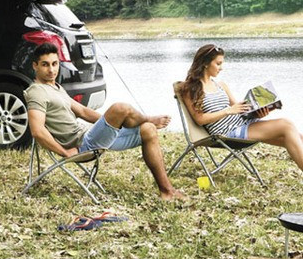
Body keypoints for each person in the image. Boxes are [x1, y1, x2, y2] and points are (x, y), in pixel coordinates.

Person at [24, 42, 186, 201]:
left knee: (148, 129)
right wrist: (64, 153)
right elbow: (37, 131)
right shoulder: (37, 92)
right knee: (120, 108)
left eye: (55, 64)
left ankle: (167, 191)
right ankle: (147, 118)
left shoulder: (56, 87)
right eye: (45, 65)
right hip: (82, 144)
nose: (51, 70)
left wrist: (110, 122)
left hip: (92, 136)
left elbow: (83, 111)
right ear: (35, 66)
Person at [180, 43, 303, 172]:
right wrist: (228, 111)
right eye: (218, 64)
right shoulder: (190, 89)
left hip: (243, 123)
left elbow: (240, 109)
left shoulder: (221, 85)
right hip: (227, 133)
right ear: (205, 63)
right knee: (286, 125)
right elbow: (199, 119)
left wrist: (257, 113)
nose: (221, 68)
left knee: (297, 136)